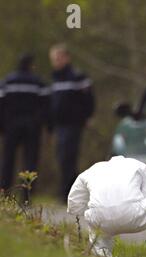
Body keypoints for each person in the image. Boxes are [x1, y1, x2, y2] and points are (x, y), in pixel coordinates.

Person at [67, 156, 146, 257]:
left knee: (93, 215)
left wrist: (82, 214)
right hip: (132, 214)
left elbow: (73, 203)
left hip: (99, 219)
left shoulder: (92, 170)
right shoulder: (140, 166)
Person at [49, 43, 95, 201]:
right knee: (61, 157)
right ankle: (66, 191)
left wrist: (88, 116)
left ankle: (69, 193)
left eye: (59, 58)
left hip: (74, 124)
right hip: (60, 125)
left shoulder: (78, 76)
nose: (56, 61)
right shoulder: (55, 78)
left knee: (69, 157)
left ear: (67, 58)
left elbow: (88, 99)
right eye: (54, 59)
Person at [0, 54, 51, 196]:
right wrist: (46, 125)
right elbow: (46, 105)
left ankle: (4, 193)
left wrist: (2, 125)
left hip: (10, 126)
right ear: (31, 65)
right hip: (32, 127)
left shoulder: (8, 81)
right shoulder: (38, 82)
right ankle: (27, 195)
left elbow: (1, 104)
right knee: (30, 161)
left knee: (7, 160)